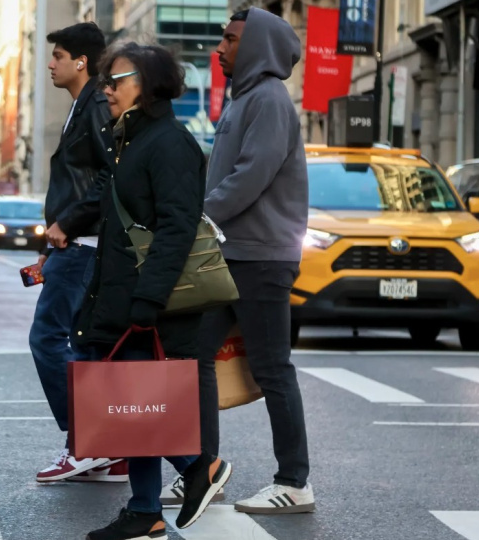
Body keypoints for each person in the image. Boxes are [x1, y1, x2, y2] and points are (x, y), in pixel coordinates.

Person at [75, 43, 230, 540]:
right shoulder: (131, 140)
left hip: (154, 300)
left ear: (143, 81)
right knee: (134, 403)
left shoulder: (170, 143)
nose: (106, 89)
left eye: (114, 80)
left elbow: (178, 228)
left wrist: (150, 299)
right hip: (128, 295)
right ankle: (145, 510)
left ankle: (197, 466)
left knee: (139, 404)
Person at [193, 8, 314, 515]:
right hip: (233, 253)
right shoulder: (243, 99)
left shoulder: (267, 99)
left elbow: (250, 175)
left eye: (230, 40)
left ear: (257, 45)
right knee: (193, 356)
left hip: (261, 257)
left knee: (271, 368)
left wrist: (197, 217)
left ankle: (295, 481)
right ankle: (203, 471)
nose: (219, 48)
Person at [28, 22, 123, 484]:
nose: (51, 63)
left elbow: (111, 177)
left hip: (85, 244)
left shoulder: (96, 107)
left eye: (59, 55)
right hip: (76, 243)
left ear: (81, 61)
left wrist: (68, 223)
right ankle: (109, 449)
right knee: (84, 347)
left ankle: (93, 440)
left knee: (47, 339)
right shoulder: (80, 107)